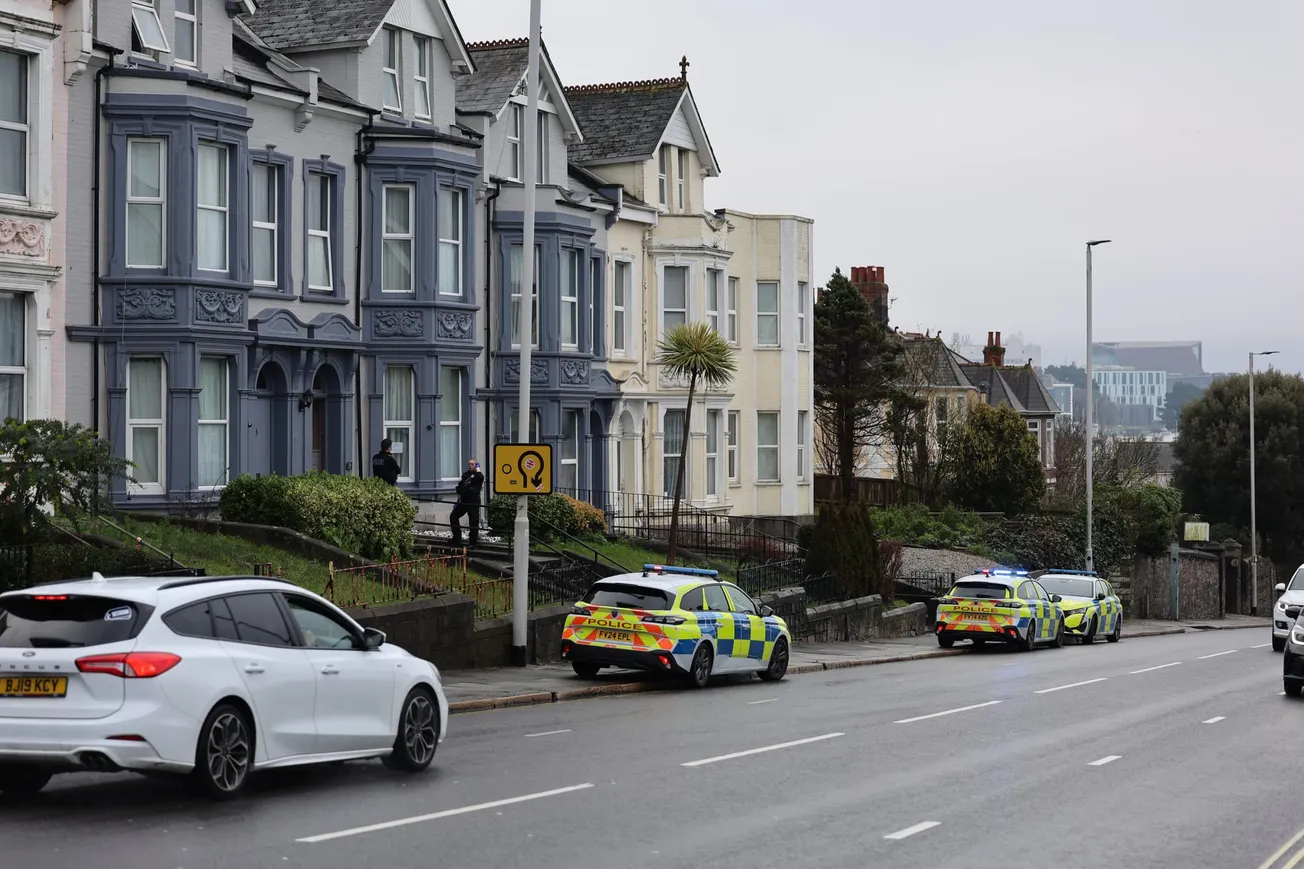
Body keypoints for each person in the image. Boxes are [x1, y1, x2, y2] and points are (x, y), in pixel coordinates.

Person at [449, 458, 485, 546]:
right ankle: (457, 538)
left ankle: (473, 542)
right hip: (463, 501)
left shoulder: (478, 475)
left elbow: (476, 486)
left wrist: (478, 470)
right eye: (469, 464)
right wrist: (464, 490)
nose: (470, 465)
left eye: (472, 464)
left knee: (473, 521)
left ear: (476, 465)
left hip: (473, 502)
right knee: (453, 516)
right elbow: (460, 486)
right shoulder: (466, 475)